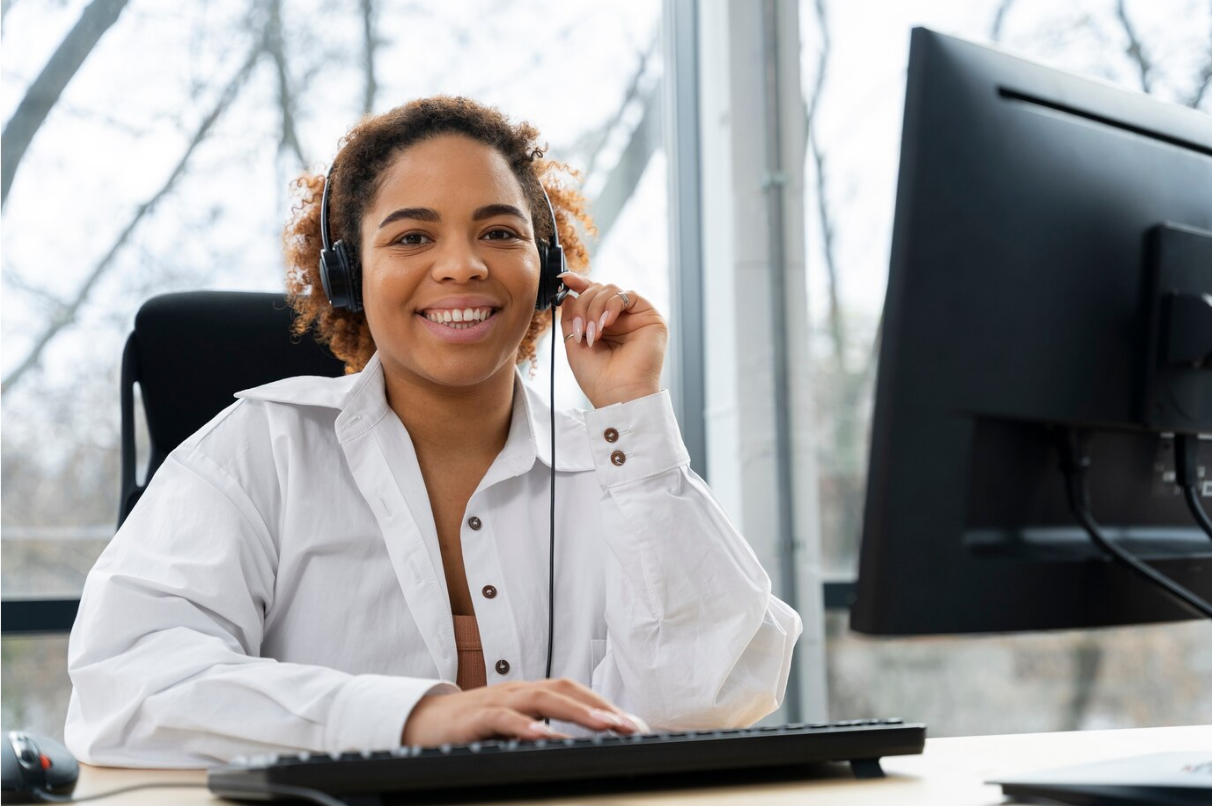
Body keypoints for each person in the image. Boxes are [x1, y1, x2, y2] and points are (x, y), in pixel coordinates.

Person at [65, 96, 802, 767]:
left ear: (546, 270)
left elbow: (714, 698)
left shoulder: (616, 468)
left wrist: (631, 416)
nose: (463, 265)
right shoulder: (258, 453)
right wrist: (414, 716)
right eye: (413, 236)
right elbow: (125, 688)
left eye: (500, 231)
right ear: (347, 275)